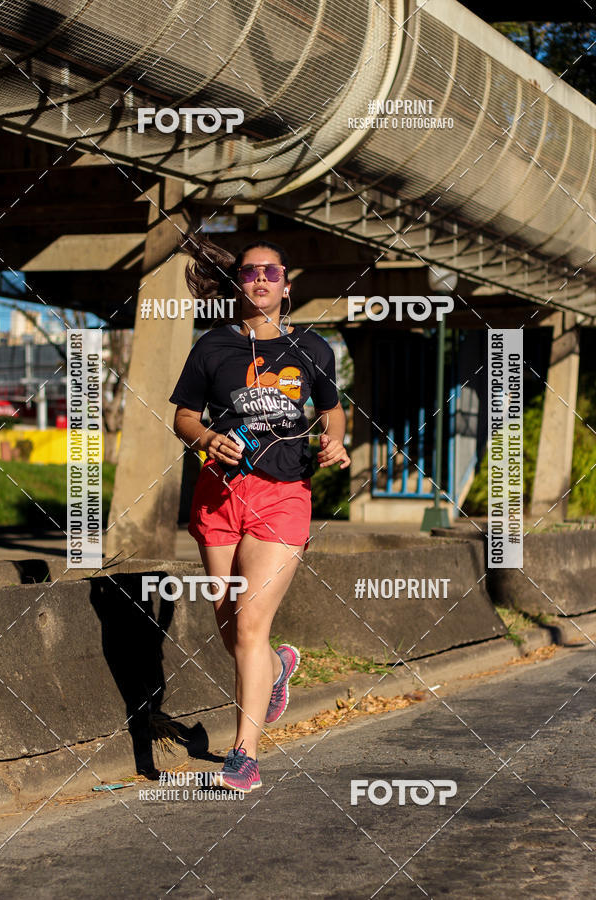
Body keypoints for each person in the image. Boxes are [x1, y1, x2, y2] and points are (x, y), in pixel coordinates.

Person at [169, 236, 350, 792]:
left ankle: (243, 753)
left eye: (272, 271)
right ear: (239, 284)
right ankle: (275, 667)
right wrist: (205, 439)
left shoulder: (313, 350)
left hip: (283, 494)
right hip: (218, 495)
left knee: (249, 621)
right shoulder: (212, 347)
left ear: (287, 286)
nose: (261, 279)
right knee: (229, 626)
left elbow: (333, 411)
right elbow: (183, 415)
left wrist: (335, 443)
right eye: (250, 272)